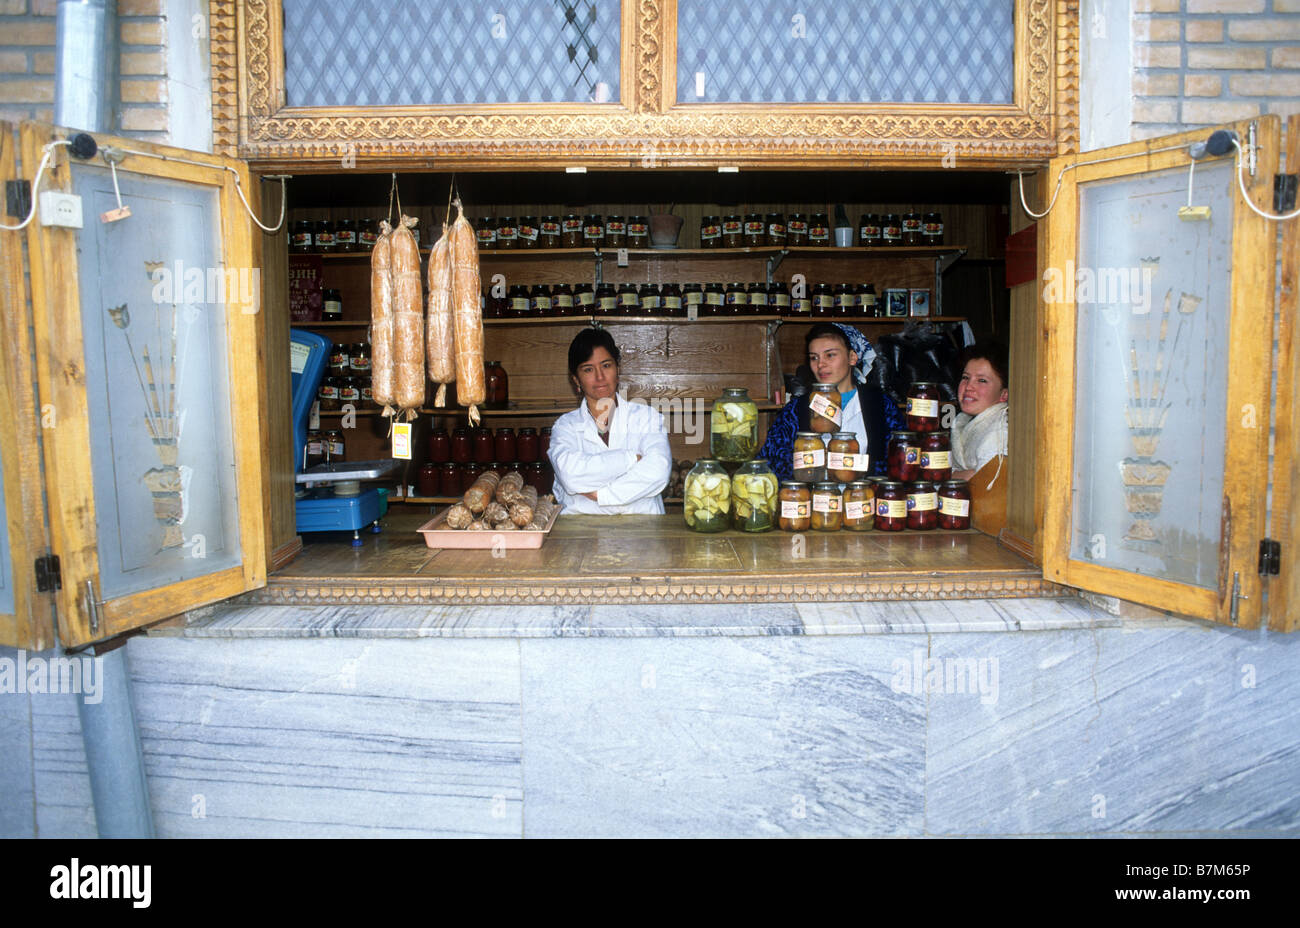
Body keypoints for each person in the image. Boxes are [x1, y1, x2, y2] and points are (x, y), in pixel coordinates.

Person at [548, 328, 671, 514]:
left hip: (643, 532)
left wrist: (600, 495)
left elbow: (658, 471)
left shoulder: (646, 417)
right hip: (581, 534)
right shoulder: (565, 426)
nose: (599, 377)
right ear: (576, 380)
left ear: (618, 369)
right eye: (588, 369)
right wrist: (631, 459)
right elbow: (570, 475)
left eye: (606, 366)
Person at [758, 322, 902, 480]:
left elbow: (899, 462)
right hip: (812, 501)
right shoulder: (797, 409)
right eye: (814, 357)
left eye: (830, 355)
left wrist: (852, 466)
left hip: (865, 500)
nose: (820, 364)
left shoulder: (880, 404)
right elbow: (770, 462)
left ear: (852, 357)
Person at [950, 342, 1009, 480]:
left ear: (1004, 394)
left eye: (982, 380)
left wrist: (950, 476)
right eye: (965, 378)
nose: (969, 386)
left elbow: (986, 480)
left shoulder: (1000, 430)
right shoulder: (962, 422)